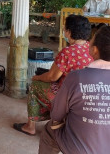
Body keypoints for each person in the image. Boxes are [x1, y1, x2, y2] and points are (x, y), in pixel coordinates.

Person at [13, 15, 93, 136]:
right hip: (87, 96)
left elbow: (52, 77)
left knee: (35, 85)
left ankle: (30, 126)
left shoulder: (67, 52)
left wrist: (38, 77)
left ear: (69, 32)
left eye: (65, 28)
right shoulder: (91, 48)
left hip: (69, 98)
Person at [39, 26, 110, 154]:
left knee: (49, 131)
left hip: (79, 149)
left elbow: (56, 115)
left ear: (94, 50)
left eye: (92, 39)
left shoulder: (76, 77)